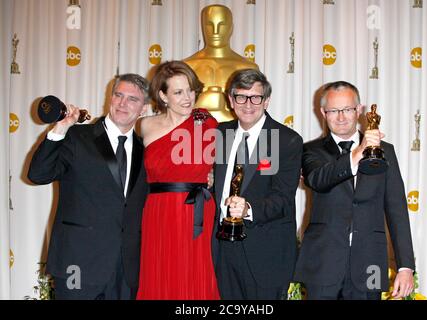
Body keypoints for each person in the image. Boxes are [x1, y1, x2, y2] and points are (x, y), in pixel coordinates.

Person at [27, 74, 150, 299]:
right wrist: (60, 129)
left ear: (144, 109)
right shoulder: (76, 136)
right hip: (78, 265)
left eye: (132, 99)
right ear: (110, 98)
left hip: (126, 270)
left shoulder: (147, 152)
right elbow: (38, 174)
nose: (123, 103)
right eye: (118, 95)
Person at [294, 81, 415, 300]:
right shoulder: (310, 151)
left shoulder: (386, 151)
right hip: (323, 263)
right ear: (323, 112)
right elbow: (317, 179)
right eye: (333, 111)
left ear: (359, 110)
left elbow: (397, 210)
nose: (341, 117)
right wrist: (358, 153)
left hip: (371, 263)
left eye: (347, 109)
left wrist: (405, 267)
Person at [212, 69, 303, 299]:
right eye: (241, 97)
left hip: (266, 253)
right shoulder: (219, 134)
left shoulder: (286, 140)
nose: (248, 104)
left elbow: (282, 199)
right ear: (231, 100)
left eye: (256, 97)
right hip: (221, 250)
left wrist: (248, 209)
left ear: (267, 101)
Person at [137, 60, 220, 300]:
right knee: (159, 276)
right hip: (158, 213)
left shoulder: (206, 122)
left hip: (196, 211)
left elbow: (227, 160)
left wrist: (212, 176)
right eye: (178, 92)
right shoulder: (144, 126)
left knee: (195, 279)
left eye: (191, 90)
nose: (187, 98)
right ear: (163, 96)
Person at [184, 4, 259, 122]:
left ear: (231, 27)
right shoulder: (187, 66)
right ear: (203, 27)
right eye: (209, 24)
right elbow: (174, 112)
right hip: (192, 136)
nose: (215, 31)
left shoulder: (248, 68)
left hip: (234, 136)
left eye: (222, 24)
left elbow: (254, 112)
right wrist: (201, 102)